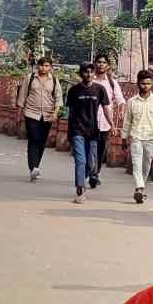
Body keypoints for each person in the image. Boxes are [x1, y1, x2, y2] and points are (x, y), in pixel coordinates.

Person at [66, 62, 110, 201]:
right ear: (81, 74)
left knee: (91, 164)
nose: (89, 74)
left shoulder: (100, 89)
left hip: (93, 131)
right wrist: (69, 131)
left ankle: (85, 176)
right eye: (86, 72)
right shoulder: (74, 90)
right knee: (80, 160)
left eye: (91, 72)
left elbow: (106, 108)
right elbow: (71, 112)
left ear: (94, 73)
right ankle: (80, 188)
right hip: (77, 130)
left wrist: (112, 124)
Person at [123, 69, 153, 204]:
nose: (146, 86)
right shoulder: (131, 102)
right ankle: (139, 187)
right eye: (143, 84)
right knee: (136, 162)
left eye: (148, 84)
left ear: (152, 84)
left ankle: (141, 189)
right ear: (138, 84)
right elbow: (127, 121)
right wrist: (124, 137)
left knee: (146, 163)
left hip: (151, 136)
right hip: (136, 135)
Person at [18, 55, 62, 181]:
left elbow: (58, 98)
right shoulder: (30, 78)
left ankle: (36, 165)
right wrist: (19, 113)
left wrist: (55, 113)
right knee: (34, 139)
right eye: (42, 65)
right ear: (38, 66)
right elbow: (22, 95)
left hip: (47, 115)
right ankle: (33, 167)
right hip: (31, 113)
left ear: (50, 67)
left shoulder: (53, 80)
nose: (43, 68)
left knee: (42, 141)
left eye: (47, 65)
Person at [92, 55, 125, 179]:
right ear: (95, 64)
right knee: (90, 147)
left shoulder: (112, 83)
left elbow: (120, 100)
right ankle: (91, 170)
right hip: (90, 120)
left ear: (107, 66)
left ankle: (96, 172)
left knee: (100, 148)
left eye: (104, 62)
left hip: (105, 122)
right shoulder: (91, 80)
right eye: (99, 62)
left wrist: (121, 111)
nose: (101, 64)